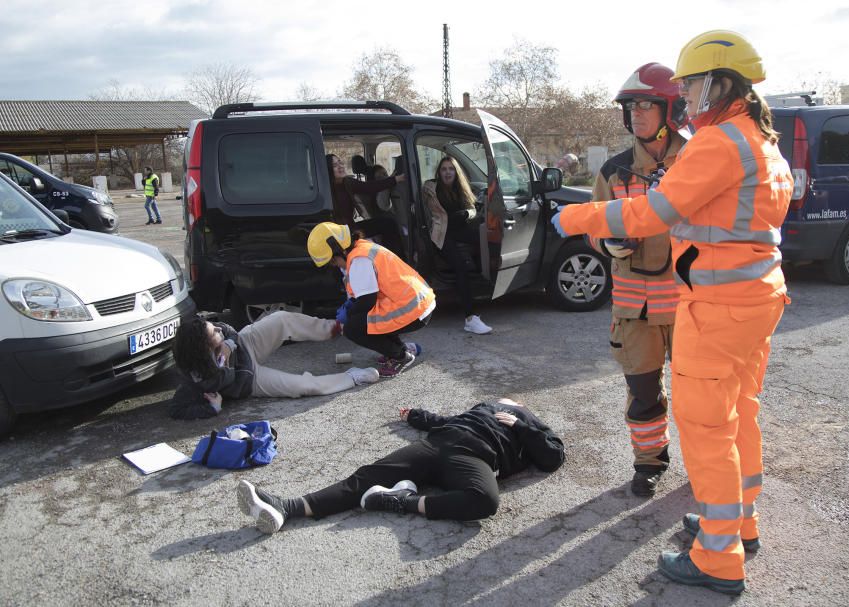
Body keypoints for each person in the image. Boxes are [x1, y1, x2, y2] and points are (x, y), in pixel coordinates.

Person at [551, 30, 792, 595]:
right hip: (757, 299)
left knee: (708, 429)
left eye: (689, 86)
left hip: (718, 308)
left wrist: (580, 219)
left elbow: (656, 212)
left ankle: (718, 558)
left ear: (717, 83)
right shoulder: (760, 139)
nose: (683, 97)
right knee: (740, 414)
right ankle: (735, 522)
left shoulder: (717, 142)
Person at [235, 397, 565, 533]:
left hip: (475, 456)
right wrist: (414, 415)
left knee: (486, 501)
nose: (509, 402)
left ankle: (400, 501)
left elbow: (554, 457)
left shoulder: (530, 424)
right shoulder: (484, 406)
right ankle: (286, 507)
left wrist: (521, 425)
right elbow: (442, 420)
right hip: (439, 441)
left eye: (516, 404)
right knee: (368, 474)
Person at [588, 63, 689, 498]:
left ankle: (711, 470)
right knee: (643, 394)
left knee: (702, 399)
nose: (638, 114)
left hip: (690, 308)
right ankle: (649, 463)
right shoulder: (614, 172)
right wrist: (607, 243)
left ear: (672, 109)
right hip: (637, 312)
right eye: (632, 106)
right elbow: (594, 226)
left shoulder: (699, 161)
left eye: (648, 104)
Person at [170, 312, 378, 419]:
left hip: (246, 344)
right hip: (251, 380)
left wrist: (230, 344)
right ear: (204, 348)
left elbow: (228, 329)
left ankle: (335, 328)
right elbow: (177, 409)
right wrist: (213, 409)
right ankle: (351, 377)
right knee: (302, 386)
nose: (217, 329)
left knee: (281, 319)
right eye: (213, 333)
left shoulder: (222, 335)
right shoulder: (195, 378)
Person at [307, 222, 434, 377]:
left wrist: (348, 315)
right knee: (366, 317)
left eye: (333, 261)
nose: (334, 266)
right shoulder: (363, 247)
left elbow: (367, 301)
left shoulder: (360, 260)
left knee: (353, 328)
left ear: (339, 250)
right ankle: (399, 348)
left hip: (413, 310)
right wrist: (352, 306)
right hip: (418, 302)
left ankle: (401, 356)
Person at [421, 156, 492, 335]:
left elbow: (473, 207)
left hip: (459, 230)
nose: (447, 172)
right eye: (444, 169)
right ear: (439, 172)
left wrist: (466, 214)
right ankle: (470, 318)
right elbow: (430, 208)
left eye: (451, 169)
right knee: (460, 267)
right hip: (442, 234)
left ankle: (488, 275)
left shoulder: (461, 188)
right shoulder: (432, 188)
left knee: (485, 238)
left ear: (456, 172)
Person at [327, 153, 405, 255]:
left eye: (340, 162)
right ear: (328, 170)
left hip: (351, 227)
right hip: (342, 234)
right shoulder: (327, 190)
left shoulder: (347, 182)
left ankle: (393, 258)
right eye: (334, 165)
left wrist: (396, 179)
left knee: (388, 223)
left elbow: (370, 187)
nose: (340, 166)